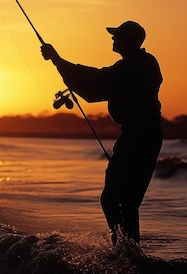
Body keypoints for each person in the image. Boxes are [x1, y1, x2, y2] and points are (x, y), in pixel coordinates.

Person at [41, 20, 162, 246]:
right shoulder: (144, 63)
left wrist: (57, 61)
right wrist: (59, 61)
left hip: (139, 136)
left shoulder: (132, 67)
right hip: (143, 135)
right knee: (126, 201)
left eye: (116, 36)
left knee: (114, 200)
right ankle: (128, 251)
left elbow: (93, 88)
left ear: (128, 40)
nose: (113, 39)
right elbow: (98, 75)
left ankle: (126, 251)